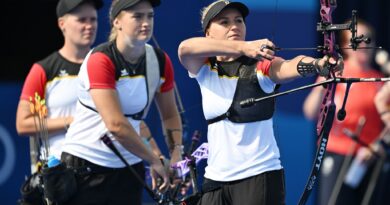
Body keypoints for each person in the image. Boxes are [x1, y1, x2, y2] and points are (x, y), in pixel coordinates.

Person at [177, 1, 343, 204]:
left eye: (239, 20)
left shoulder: (260, 66)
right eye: (224, 22)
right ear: (208, 33)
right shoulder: (204, 68)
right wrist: (243, 47)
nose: (234, 26)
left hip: (258, 178)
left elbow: (288, 66)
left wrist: (318, 64)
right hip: (215, 181)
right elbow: (185, 48)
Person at [61, 0, 183, 204]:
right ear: (117, 22)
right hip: (85, 167)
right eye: (137, 16)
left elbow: (170, 115)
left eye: (150, 16)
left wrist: (176, 155)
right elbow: (116, 125)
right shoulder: (101, 59)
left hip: (129, 168)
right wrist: (154, 158)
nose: (146, 23)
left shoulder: (160, 61)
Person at [15, 0, 102, 204]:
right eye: (81, 20)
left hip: (103, 172)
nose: (89, 25)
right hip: (62, 178)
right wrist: (74, 120)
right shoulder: (44, 69)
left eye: (93, 20)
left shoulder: (106, 64)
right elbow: (23, 123)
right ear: (62, 24)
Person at [303, 20, 384, 205]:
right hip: (337, 153)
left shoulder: (380, 79)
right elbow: (310, 111)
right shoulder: (336, 72)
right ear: (347, 45)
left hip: (369, 158)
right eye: (358, 40)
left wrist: (378, 144)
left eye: (368, 40)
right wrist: (324, 82)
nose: (364, 45)